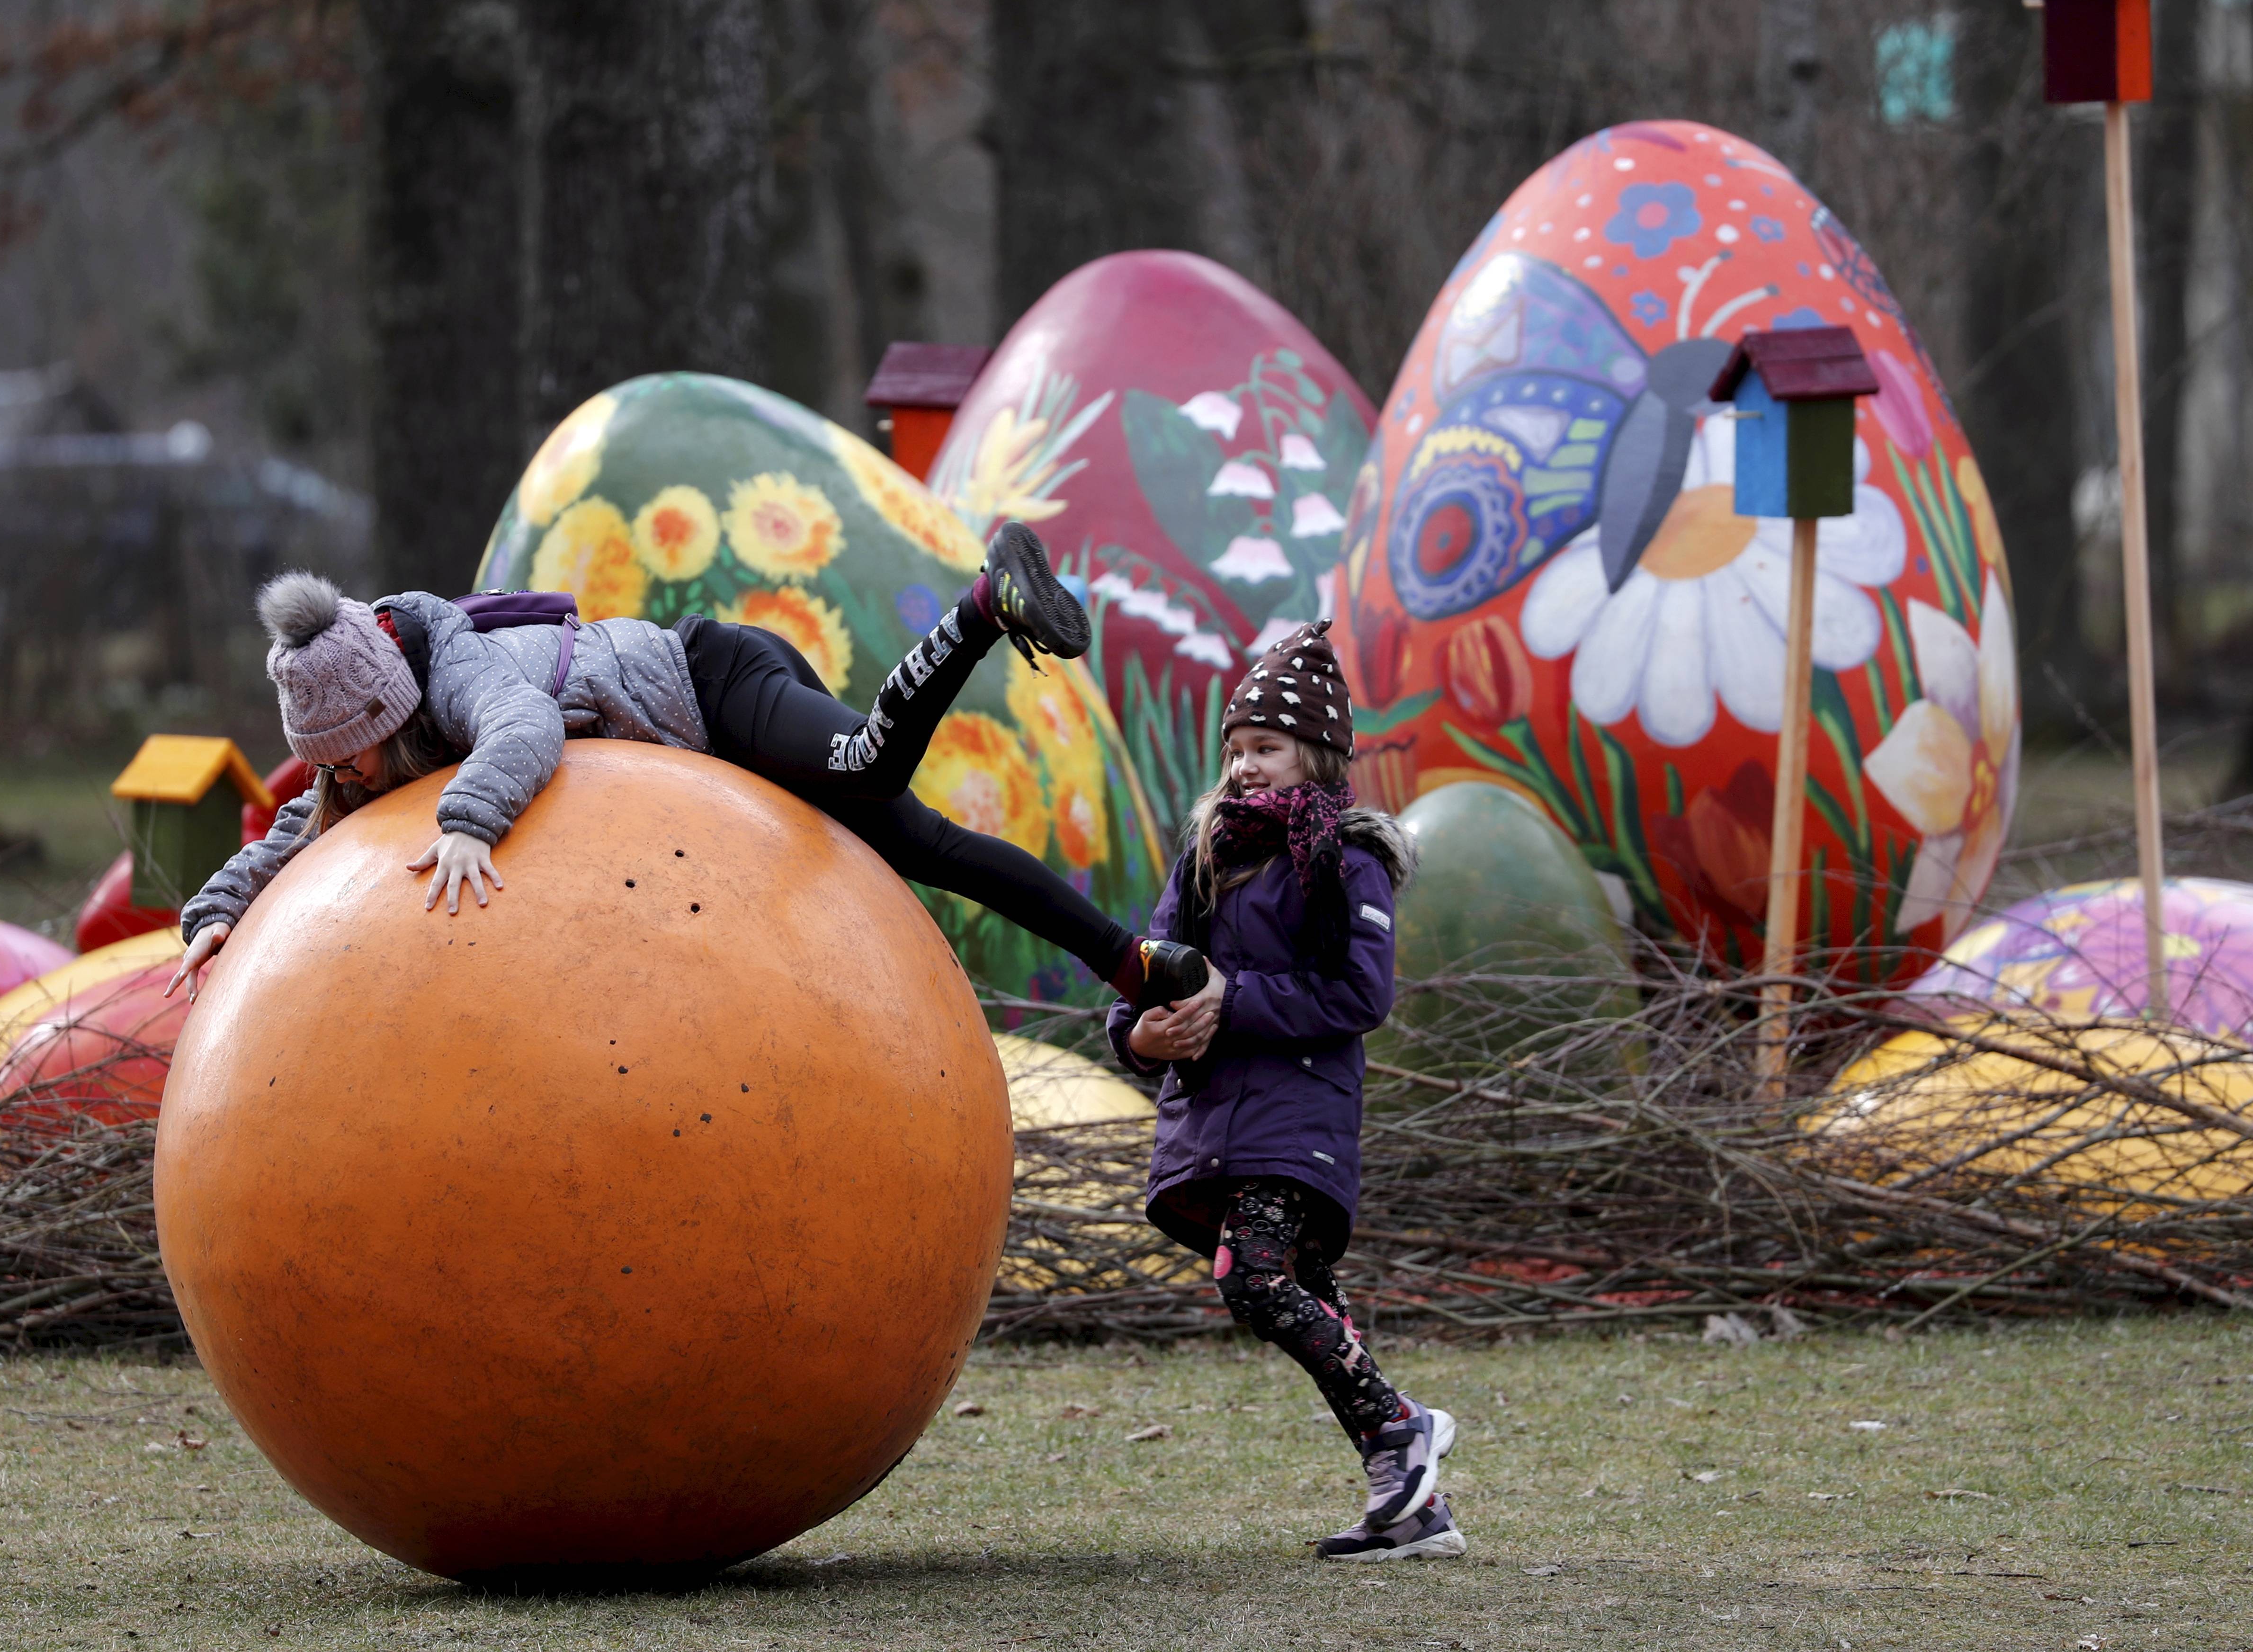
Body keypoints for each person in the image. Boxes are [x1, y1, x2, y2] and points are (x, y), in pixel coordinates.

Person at [165, 521, 1209, 1016]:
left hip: (715, 682)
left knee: (867, 763)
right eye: (325, 760)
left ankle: (985, 607)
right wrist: (215, 911)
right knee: (927, 850)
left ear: (387, 712)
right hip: (703, 761)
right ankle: (1135, 964)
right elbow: (299, 829)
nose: (339, 776)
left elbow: (523, 728)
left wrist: (467, 820)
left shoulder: (454, 676)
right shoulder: (357, 760)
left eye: (346, 753)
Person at [1106, 622, 1463, 1564]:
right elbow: (1146, 967)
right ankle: (1415, 1504)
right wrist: (1138, 1032)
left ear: (1314, 754)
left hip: (1297, 1115)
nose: (1245, 765)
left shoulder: (1347, 855)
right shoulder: (1205, 850)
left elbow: (1359, 994)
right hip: (1217, 1114)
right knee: (1299, 1293)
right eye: (1234, 750)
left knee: (1254, 1277)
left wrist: (1233, 996)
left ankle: (1401, 1427)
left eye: (1263, 747)